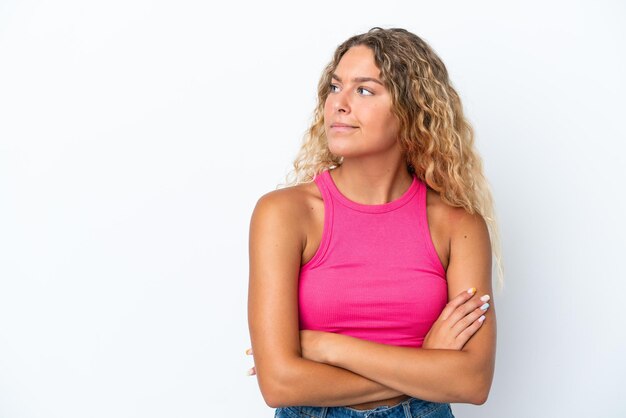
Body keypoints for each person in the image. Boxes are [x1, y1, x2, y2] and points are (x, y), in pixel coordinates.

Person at [246, 27, 503, 418]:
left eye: (364, 90)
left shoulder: (457, 224)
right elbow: (279, 384)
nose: (339, 104)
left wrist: (329, 348)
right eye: (335, 87)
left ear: (411, 109)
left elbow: (473, 382)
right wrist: (425, 362)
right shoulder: (285, 213)